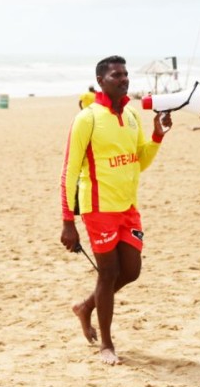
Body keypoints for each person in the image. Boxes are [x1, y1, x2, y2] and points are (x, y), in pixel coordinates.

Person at [60, 56, 171, 365]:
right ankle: (106, 344)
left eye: (125, 74)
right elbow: (69, 172)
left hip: (127, 207)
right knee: (108, 273)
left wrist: (158, 136)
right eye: (115, 75)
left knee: (131, 271)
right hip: (98, 208)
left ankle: (85, 306)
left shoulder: (133, 116)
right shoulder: (88, 119)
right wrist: (68, 220)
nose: (123, 79)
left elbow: (140, 161)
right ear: (101, 81)